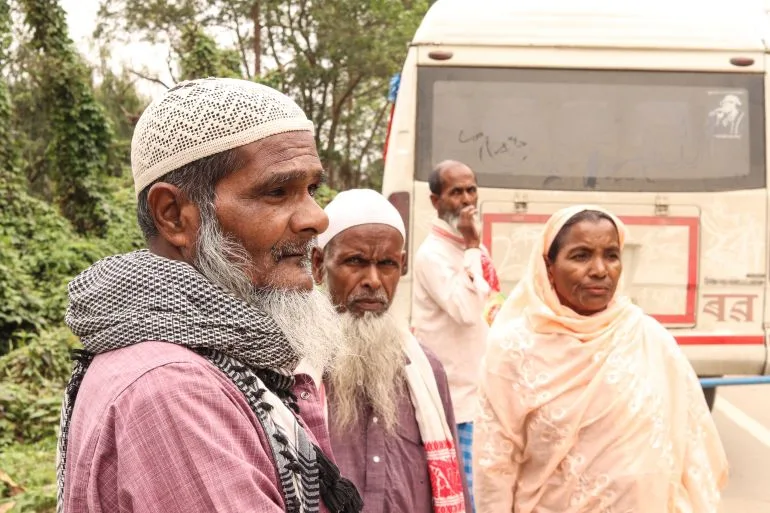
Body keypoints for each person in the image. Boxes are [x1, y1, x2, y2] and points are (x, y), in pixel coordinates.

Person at [56, 77, 363, 513]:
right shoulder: (173, 389)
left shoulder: (211, 358)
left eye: (312, 189)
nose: (317, 218)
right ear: (174, 216)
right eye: (277, 191)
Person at [473, 205, 729, 513]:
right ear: (548, 266)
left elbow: (691, 446)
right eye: (581, 256)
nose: (600, 270)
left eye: (611, 255)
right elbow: (494, 463)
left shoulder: (649, 337)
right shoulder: (513, 348)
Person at [312, 189, 471, 513]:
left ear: (401, 267)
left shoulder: (426, 370)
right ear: (318, 265)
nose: (373, 280)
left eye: (386, 264)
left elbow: (455, 488)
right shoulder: (296, 373)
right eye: (355, 261)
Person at [411, 160, 503, 505]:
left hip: (482, 396)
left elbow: (489, 304)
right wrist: (471, 248)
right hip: (458, 405)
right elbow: (466, 312)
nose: (466, 200)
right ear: (436, 201)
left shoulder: (468, 247)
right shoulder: (433, 255)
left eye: (471, 190)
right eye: (456, 192)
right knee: (469, 501)